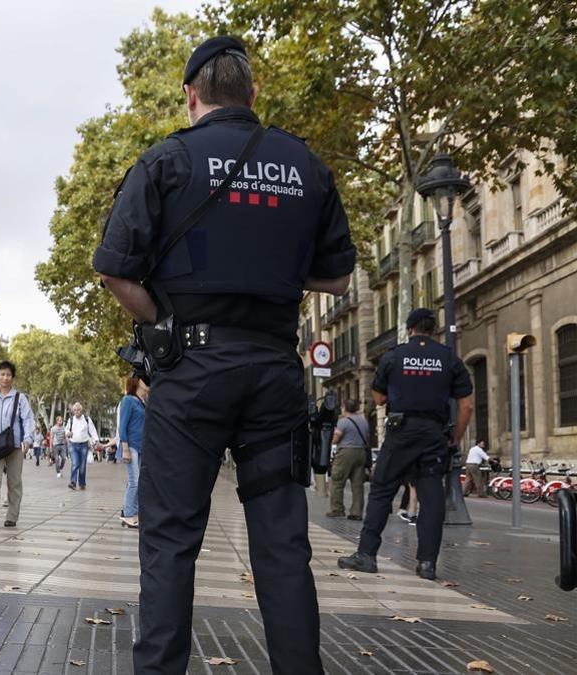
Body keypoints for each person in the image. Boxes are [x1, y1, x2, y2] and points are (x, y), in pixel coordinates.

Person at [93, 36, 356, 673]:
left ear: (191, 96)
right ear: (253, 93)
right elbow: (337, 279)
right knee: (283, 545)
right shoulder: (305, 167)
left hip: (192, 376)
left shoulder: (165, 162)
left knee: (170, 541)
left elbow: (113, 270)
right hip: (273, 375)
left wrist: (164, 321)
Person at [339, 308, 475, 581]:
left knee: (381, 490)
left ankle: (366, 555)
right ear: (434, 330)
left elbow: (377, 398)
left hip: (401, 432)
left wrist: (399, 391)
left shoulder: (394, 356)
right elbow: (467, 405)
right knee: (431, 496)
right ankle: (427, 564)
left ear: (410, 329)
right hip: (434, 434)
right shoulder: (449, 358)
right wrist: (455, 438)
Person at [0, 360, 35, 528]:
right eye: (2, 374)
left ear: (13, 377)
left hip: (15, 445)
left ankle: (12, 516)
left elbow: (28, 420)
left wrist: (28, 439)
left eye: (8, 374)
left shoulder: (20, 398)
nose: (5, 377)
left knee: (14, 481)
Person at [328, 399, 370, 520]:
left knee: (337, 480)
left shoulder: (343, 421)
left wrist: (329, 441)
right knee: (358, 485)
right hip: (361, 452)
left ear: (344, 408)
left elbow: (336, 438)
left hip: (346, 452)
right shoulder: (364, 421)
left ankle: (337, 509)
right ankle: (356, 512)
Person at [118, 375, 148, 529]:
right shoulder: (128, 400)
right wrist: (125, 449)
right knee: (134, 481)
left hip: (141, 447)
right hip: (130, 447)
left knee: (137, 482)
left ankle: (131, 513)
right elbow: (122, 426)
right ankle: (128, 515)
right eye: (144, 380)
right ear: (137, 382)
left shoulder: (143, 402)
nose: (147, 382)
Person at [65, 402, 98, 491]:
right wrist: (68, 433)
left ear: (81, 410)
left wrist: (96, 440)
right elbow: (66, 430)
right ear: (73, 411)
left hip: (84, 445)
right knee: (75, 463)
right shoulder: (71, 420)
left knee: (82, 466)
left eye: (78, 410)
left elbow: (92, 430)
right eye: (75, 410)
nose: (77, 412)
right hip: (73, 445)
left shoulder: (87, 419)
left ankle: (82, 483)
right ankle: (73, 482)